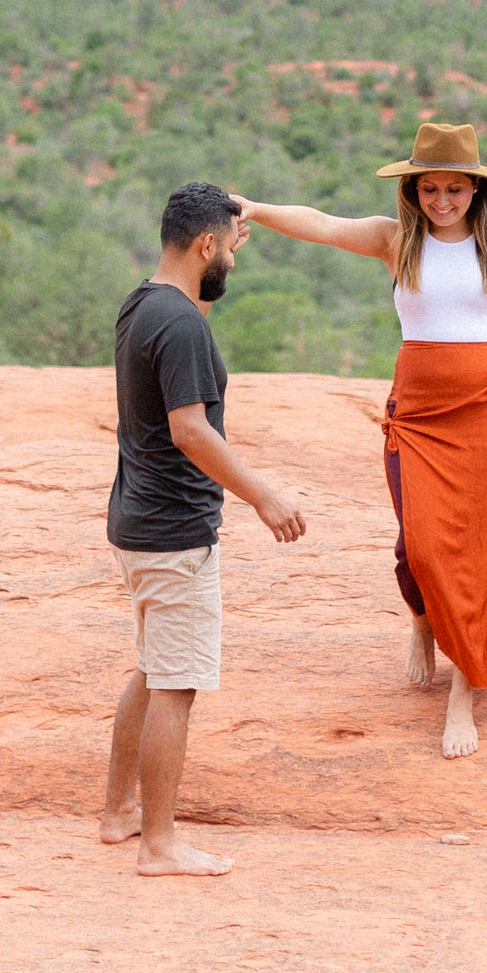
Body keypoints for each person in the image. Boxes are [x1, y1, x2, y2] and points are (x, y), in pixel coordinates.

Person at [233, 119, 487, 760]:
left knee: (476, 551)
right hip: (418, 418)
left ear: (476, 190)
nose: (442, 201)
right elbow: (324, 224)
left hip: (486, 413)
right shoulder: (396, 242)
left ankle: (463, 691)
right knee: (419, 546)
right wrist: (254, 209)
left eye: (455, 189)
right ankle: (422, 622)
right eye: (429, 190)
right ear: (412, 191)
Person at [99, 181, 306, 875]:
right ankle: (159, 844)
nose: (234, 264)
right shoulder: (182, 326)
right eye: (228, 253)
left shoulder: (148, 304)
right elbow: (190, 429)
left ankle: (119, 812)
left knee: (155, 666)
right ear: (206, 245)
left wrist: (218, 261)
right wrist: (262, 496)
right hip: (174, 530)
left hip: (136, 520)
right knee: (177, 683)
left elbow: (190, 328)